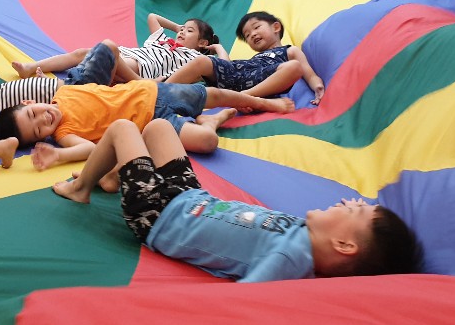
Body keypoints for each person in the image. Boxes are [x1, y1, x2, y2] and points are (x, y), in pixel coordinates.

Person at [53, 118, 422, 282]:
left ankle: (81, 188)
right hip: (189, 196)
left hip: (159, 216)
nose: (346, 200)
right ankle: (115, 176)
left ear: (344, 244)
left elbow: (245, 300)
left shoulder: (289, 260)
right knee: (159, 128)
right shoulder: (302, 234)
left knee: (122, 128)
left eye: (354, 209)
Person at [0, 76, 294, 171]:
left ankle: (263, 102)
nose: (44, 119)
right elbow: (87, 150)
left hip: (151, 92)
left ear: (30, 102)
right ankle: (213, 120)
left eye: (34, 114)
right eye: (39, 129)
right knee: (207, 142)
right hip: (154, 125)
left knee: (213, 94)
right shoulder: (64, 133)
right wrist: (58, 155)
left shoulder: (64, 91)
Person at [12, 13, 228, 83]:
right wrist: (177, 27)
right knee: (82, 53)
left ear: (202, 43)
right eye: (183, 28)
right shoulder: (162, 39)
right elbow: (152, 17)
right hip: (128, 54)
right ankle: (31, 67)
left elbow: (225, 67)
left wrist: (217, 48)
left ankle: (59, 85)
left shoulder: (192, 57)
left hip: (140, 68)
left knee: (110, 68)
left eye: (189, 31)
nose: (182, 32)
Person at [166, 11, 325, 105]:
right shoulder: (253, 58)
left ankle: (245, 97)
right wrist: (219, 49)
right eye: (247, 35)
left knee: (295, 67)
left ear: (276, 27)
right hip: (237, 74)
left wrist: (317, 86)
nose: (253, 34)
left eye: (256, 27)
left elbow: (308, 72)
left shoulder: (289, 50)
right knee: (201, 61)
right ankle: (160, 91)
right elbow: (226, 65)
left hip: (260, 81)